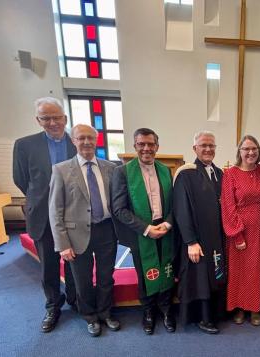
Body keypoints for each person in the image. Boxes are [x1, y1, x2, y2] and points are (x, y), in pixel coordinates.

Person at [12, 97, 76, 333]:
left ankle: (74, 299)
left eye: (56, 117)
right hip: (42, 214)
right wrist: (43, 199)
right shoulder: (24, 145)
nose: (52, 123)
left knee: (73, 261)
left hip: (73, 214)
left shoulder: (77, 142)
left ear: (65, 118)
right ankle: (53, 305)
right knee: (48, 263)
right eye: (45, 118)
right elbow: (21, 179)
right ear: (38, 120)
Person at [48, 124, 119, 337]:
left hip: (107, 230)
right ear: (73, 141)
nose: (86, 142)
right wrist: (62, 244)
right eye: (81, 138)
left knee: (107, 276)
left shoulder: (110, 167)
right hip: (76, 234)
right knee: (83, 278)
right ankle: (89, 316)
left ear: (96, 140)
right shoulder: (61, 169)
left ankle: (106, 312)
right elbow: (55, 210)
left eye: (90, 138)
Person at [111, 128, 176, 335]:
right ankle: (148, 311)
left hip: (164, 229)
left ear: (157, 146)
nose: (146, 148)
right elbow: (119, 208)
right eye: (141, 144)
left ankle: (166, 309)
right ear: (135, 146)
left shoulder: (165, 170)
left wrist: (167, 224)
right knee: (144, 272)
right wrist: (147, 229)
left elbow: (175, 204)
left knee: (167, 269)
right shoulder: (122, 172)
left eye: (150, 144)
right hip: (141, 232)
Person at [173, 131, 225, 334]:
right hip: (198, 240)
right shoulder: (186, 173)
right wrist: (191, 241)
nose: (208, 149)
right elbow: (181, 209)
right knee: (200, 278)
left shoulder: (220, 173)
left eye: (212, 145)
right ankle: (202, 318)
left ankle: (214, 314)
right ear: (194, 148)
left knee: (214, 275)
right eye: (203, 145)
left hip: (216, 239)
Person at [221, 135, 260, 326]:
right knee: (239, 270)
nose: (251, 152)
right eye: (246, 149)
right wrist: (236, 234)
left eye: (254, 149)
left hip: (259, 227)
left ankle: (255, 307)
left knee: (256, 269)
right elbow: (227, 205)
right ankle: (240, 307)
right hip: (239, 228)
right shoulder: (230, 173)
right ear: (239, 152)